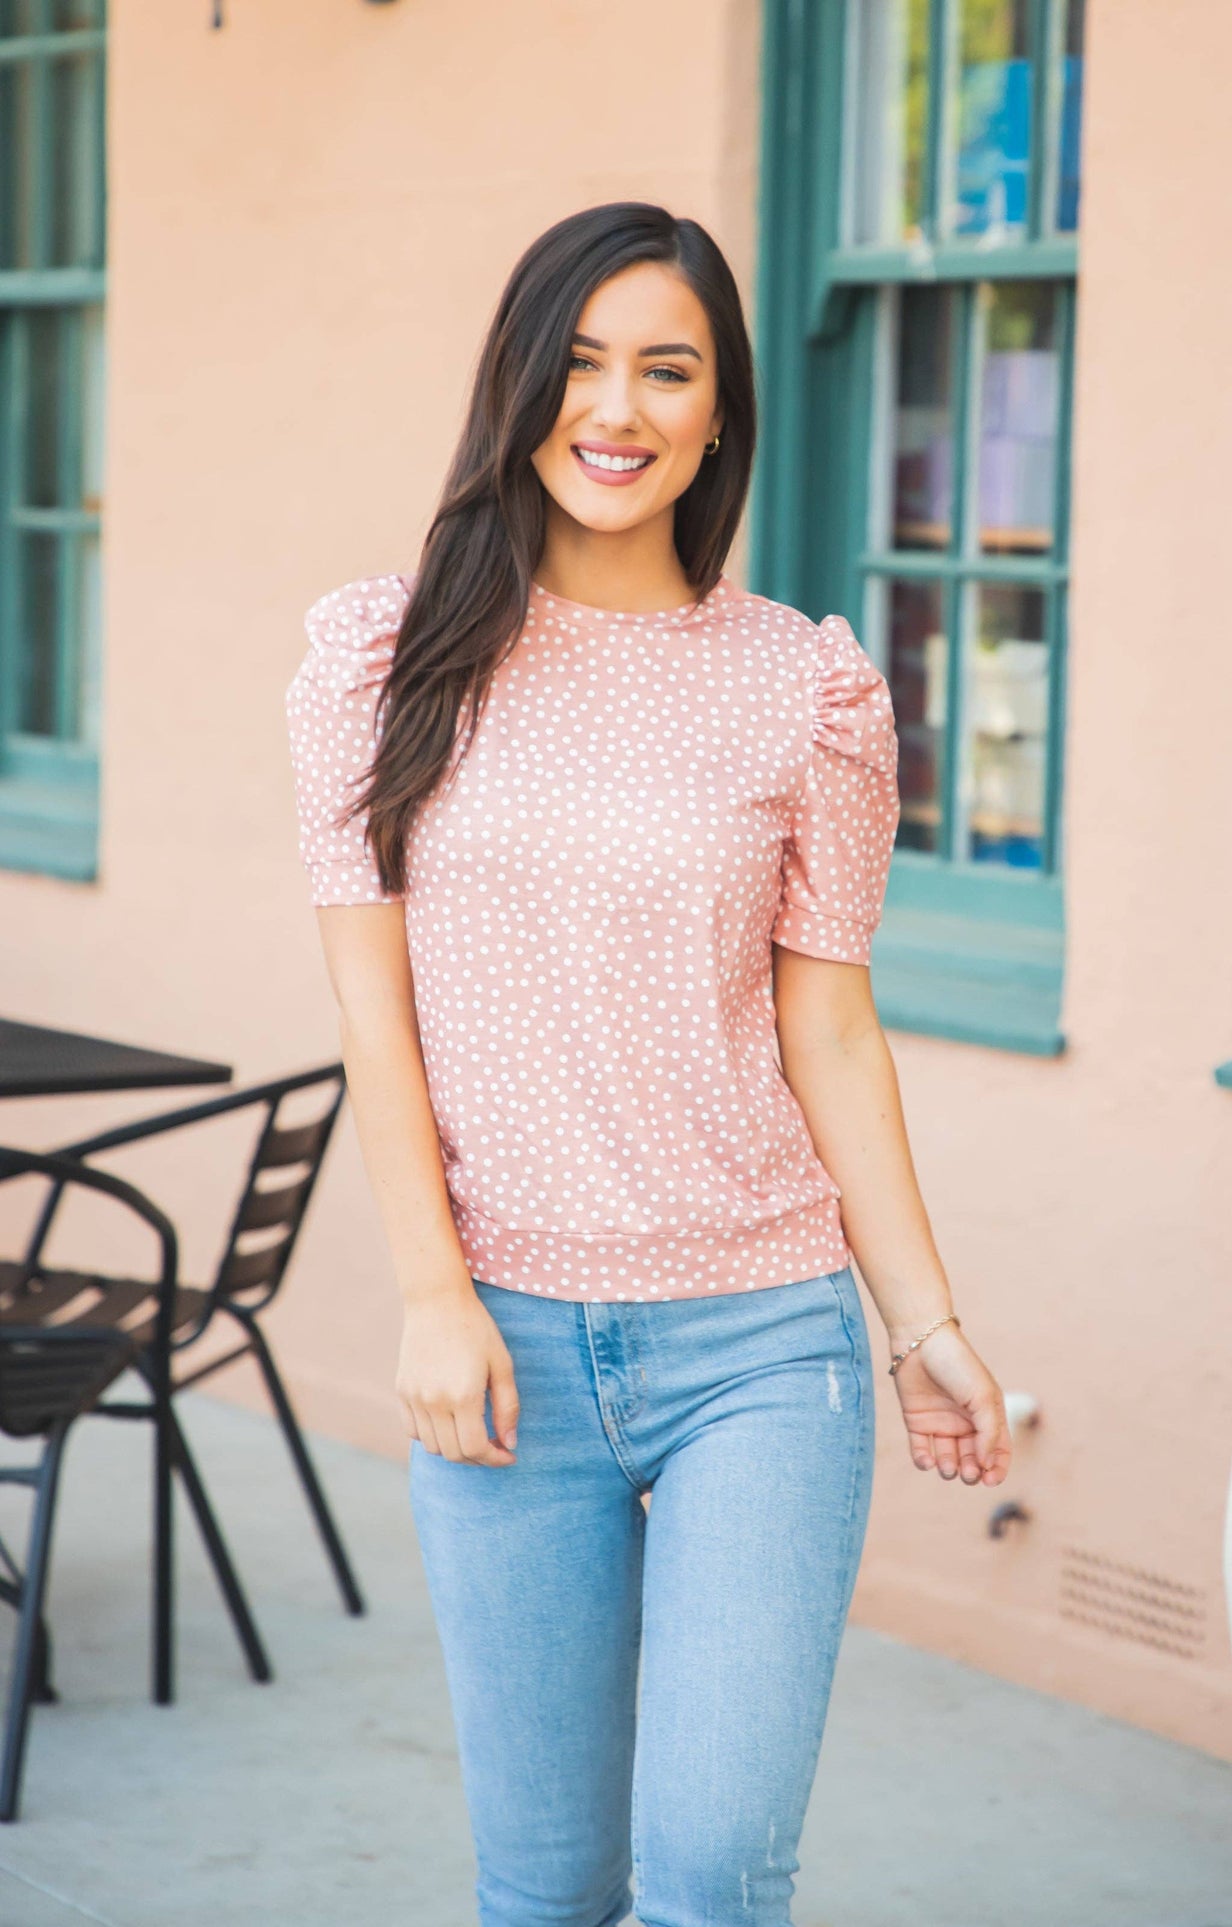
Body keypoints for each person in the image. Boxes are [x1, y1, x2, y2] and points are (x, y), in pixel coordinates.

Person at [284, 201, 1011, 1927]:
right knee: (542, 1886)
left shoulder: (804, 688)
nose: (616, 409)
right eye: (582, 362)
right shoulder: (386, 666)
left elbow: (826, 1020)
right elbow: (369, 1008)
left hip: (765, 1344)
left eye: (664, 369)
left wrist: (924, 1326)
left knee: (707, 1873)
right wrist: (430, 1292)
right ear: (521, 388)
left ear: (715, 411)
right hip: (506, 1346)